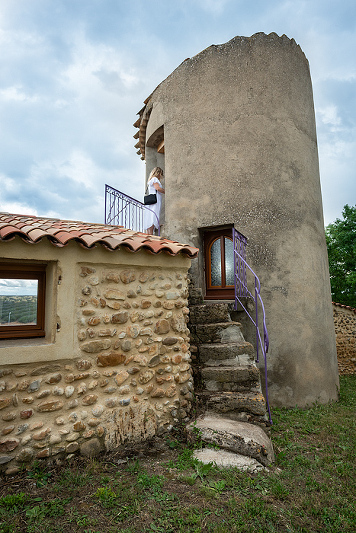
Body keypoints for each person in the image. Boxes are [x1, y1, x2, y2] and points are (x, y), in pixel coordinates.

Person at [144, 167, 165, 234]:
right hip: (155, 199)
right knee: (154, 214)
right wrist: (167, 191)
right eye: (161, 174)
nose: (161, 176)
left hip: (152, 200)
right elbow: (158, 188)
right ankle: (150, 234)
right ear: (158, 173)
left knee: (151, 215)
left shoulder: (151, 179)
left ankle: (150, 233)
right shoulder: (155, 179)